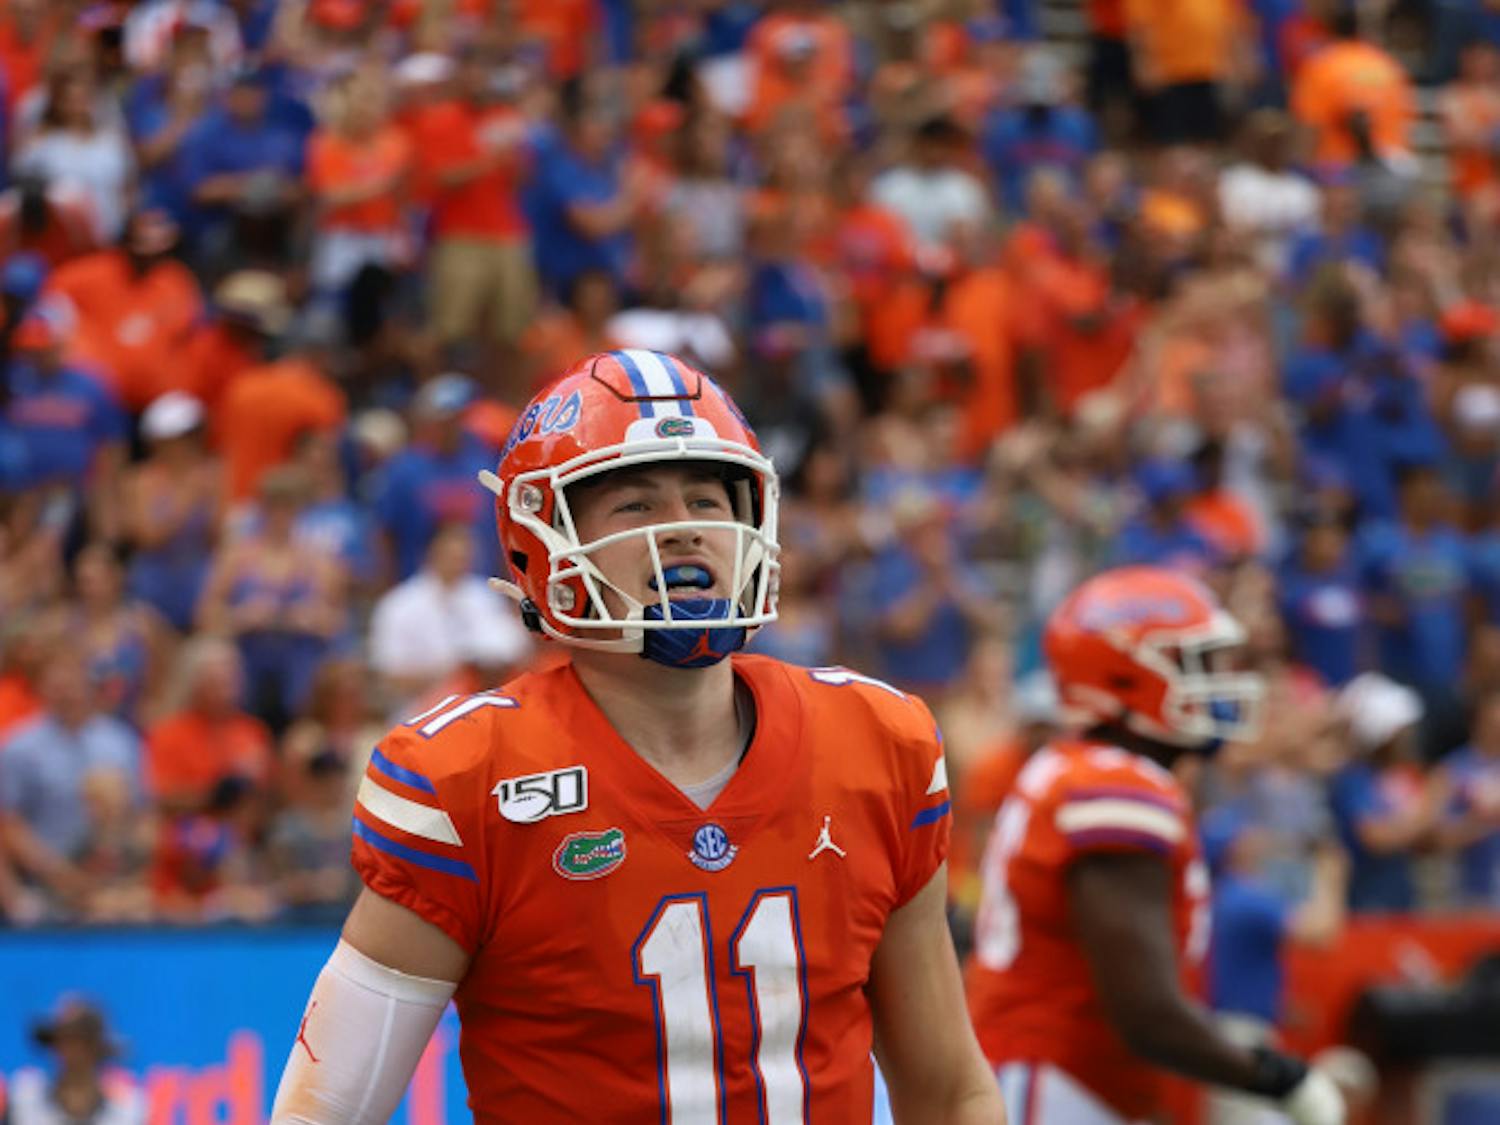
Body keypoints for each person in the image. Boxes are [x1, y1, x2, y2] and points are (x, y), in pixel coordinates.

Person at [270, 350, 1003, 1123]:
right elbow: (325, 1111)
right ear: (544, 542)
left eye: (705, 499)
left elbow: (949, 1089)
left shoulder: (877, 742)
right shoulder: (468, 775)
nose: (683, 530)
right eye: (637, 505)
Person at [966, 566, 1345, 1124]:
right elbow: (1146, 1014)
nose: (1217, 681)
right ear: (1126, 677)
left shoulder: (1080, 770)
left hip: (1054, 1078)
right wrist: (1279, 1078)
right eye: (1195, 664)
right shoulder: (1114, 787)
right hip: (1056, 1081)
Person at [9, 996, 145, 1125]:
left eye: (78, 1042)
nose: (68, 1050)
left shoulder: (125, 1112)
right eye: (61, 1040)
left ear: (96, 1048)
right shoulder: (25, 1102)